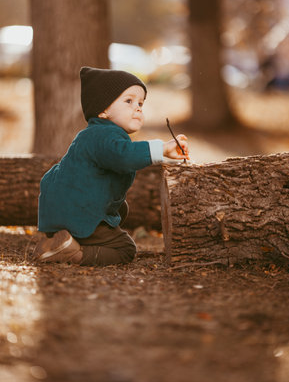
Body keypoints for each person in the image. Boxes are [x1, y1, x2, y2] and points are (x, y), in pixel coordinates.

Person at [32, 66, 189, 267]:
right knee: (125, 249)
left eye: (141, 103)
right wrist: (163, 149)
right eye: (129, 101)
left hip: (64, 208)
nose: (138, 107)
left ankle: (60, 241)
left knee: (120, 210)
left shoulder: (95, 135)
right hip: (78, 212)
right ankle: (74, 254)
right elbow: (125, 156)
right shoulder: (104, 137)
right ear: (103, 110)